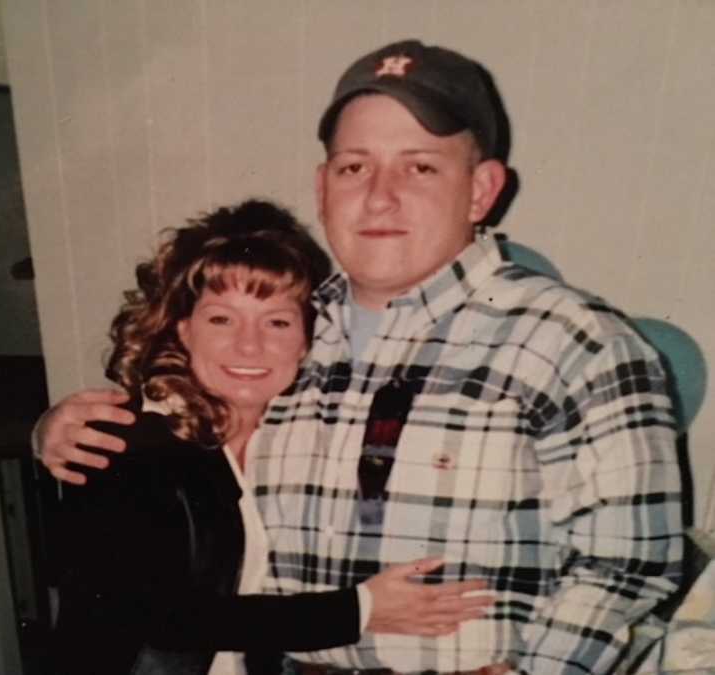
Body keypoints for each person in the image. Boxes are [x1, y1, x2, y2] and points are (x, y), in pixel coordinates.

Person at [39, 41, 684, 674]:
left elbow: (630, 567)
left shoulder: (578, 343)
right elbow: (180, 433)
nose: (379, 196)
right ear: (322, 188)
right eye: (354, 166)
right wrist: (61, 427)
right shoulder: (286, 330)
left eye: (420, 166)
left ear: (482, 190)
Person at [51, 199, 495, 675]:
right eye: (221, 319)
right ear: (184, 330)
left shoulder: (294, 438)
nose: (249, 344)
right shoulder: (123, 443)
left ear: (306, 339)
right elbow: (163, 616)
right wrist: (359, 610)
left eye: (277, 322)